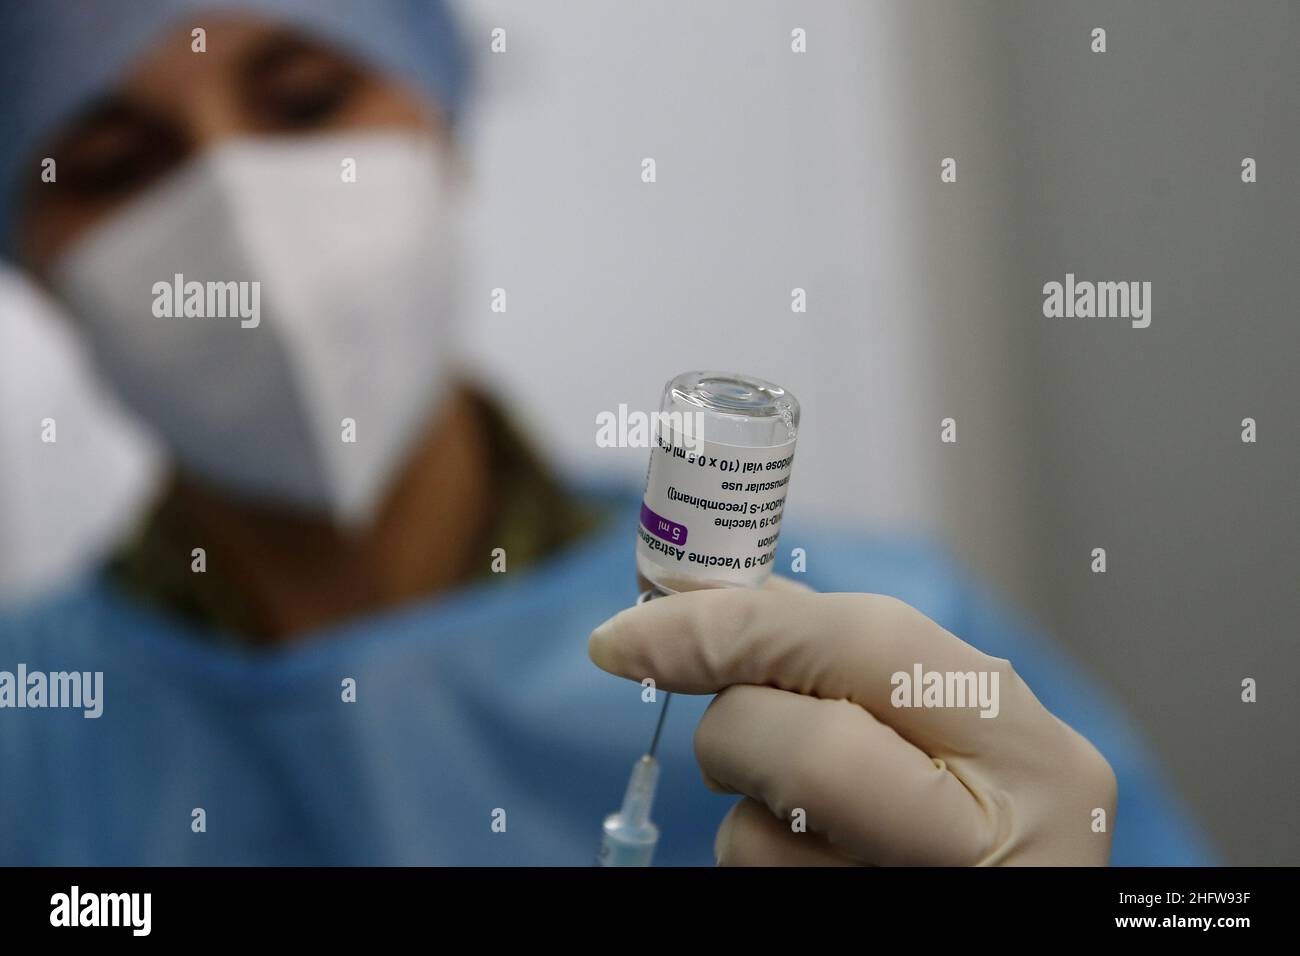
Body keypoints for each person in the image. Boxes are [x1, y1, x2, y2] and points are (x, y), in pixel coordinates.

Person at [0, 0, 1213, 866]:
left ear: (443, 126)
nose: (246, 216)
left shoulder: (876, 641)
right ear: (31, 260)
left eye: (309, 99)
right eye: (115, 160)